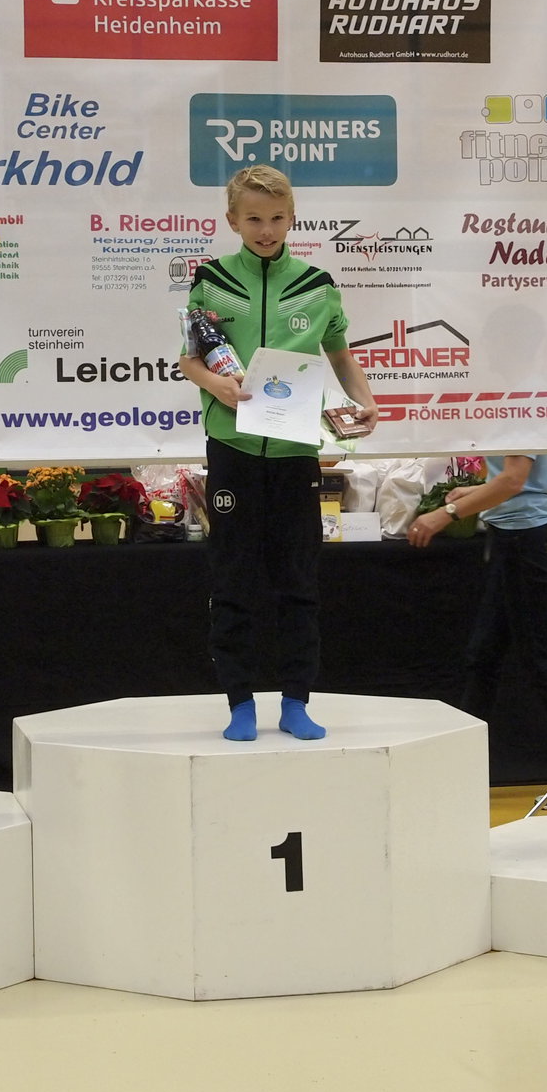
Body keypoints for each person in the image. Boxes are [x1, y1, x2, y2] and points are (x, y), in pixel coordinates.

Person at [179, 166, 379, 742]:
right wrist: (214, 384)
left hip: (295, 453)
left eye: (276, 218)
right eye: (254, 219)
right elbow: (190, 359)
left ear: (292, 219)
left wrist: (366, 400)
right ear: (232, 221)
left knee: (298, 580)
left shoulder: (318, 284)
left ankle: (296, 701)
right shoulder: (211, 280)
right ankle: (240, 702)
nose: (265, 230)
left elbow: (339, 354)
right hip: (232, 450)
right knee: (233, 579)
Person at [407, 454, 547, 810]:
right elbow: (519, 479)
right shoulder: (513, 421)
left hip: (529, 538)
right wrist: (474, 493)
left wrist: (446, 513)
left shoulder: (521, 418)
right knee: (484, 656)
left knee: (540, 662)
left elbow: (514, 480)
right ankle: (461, 772)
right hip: (514, 536)